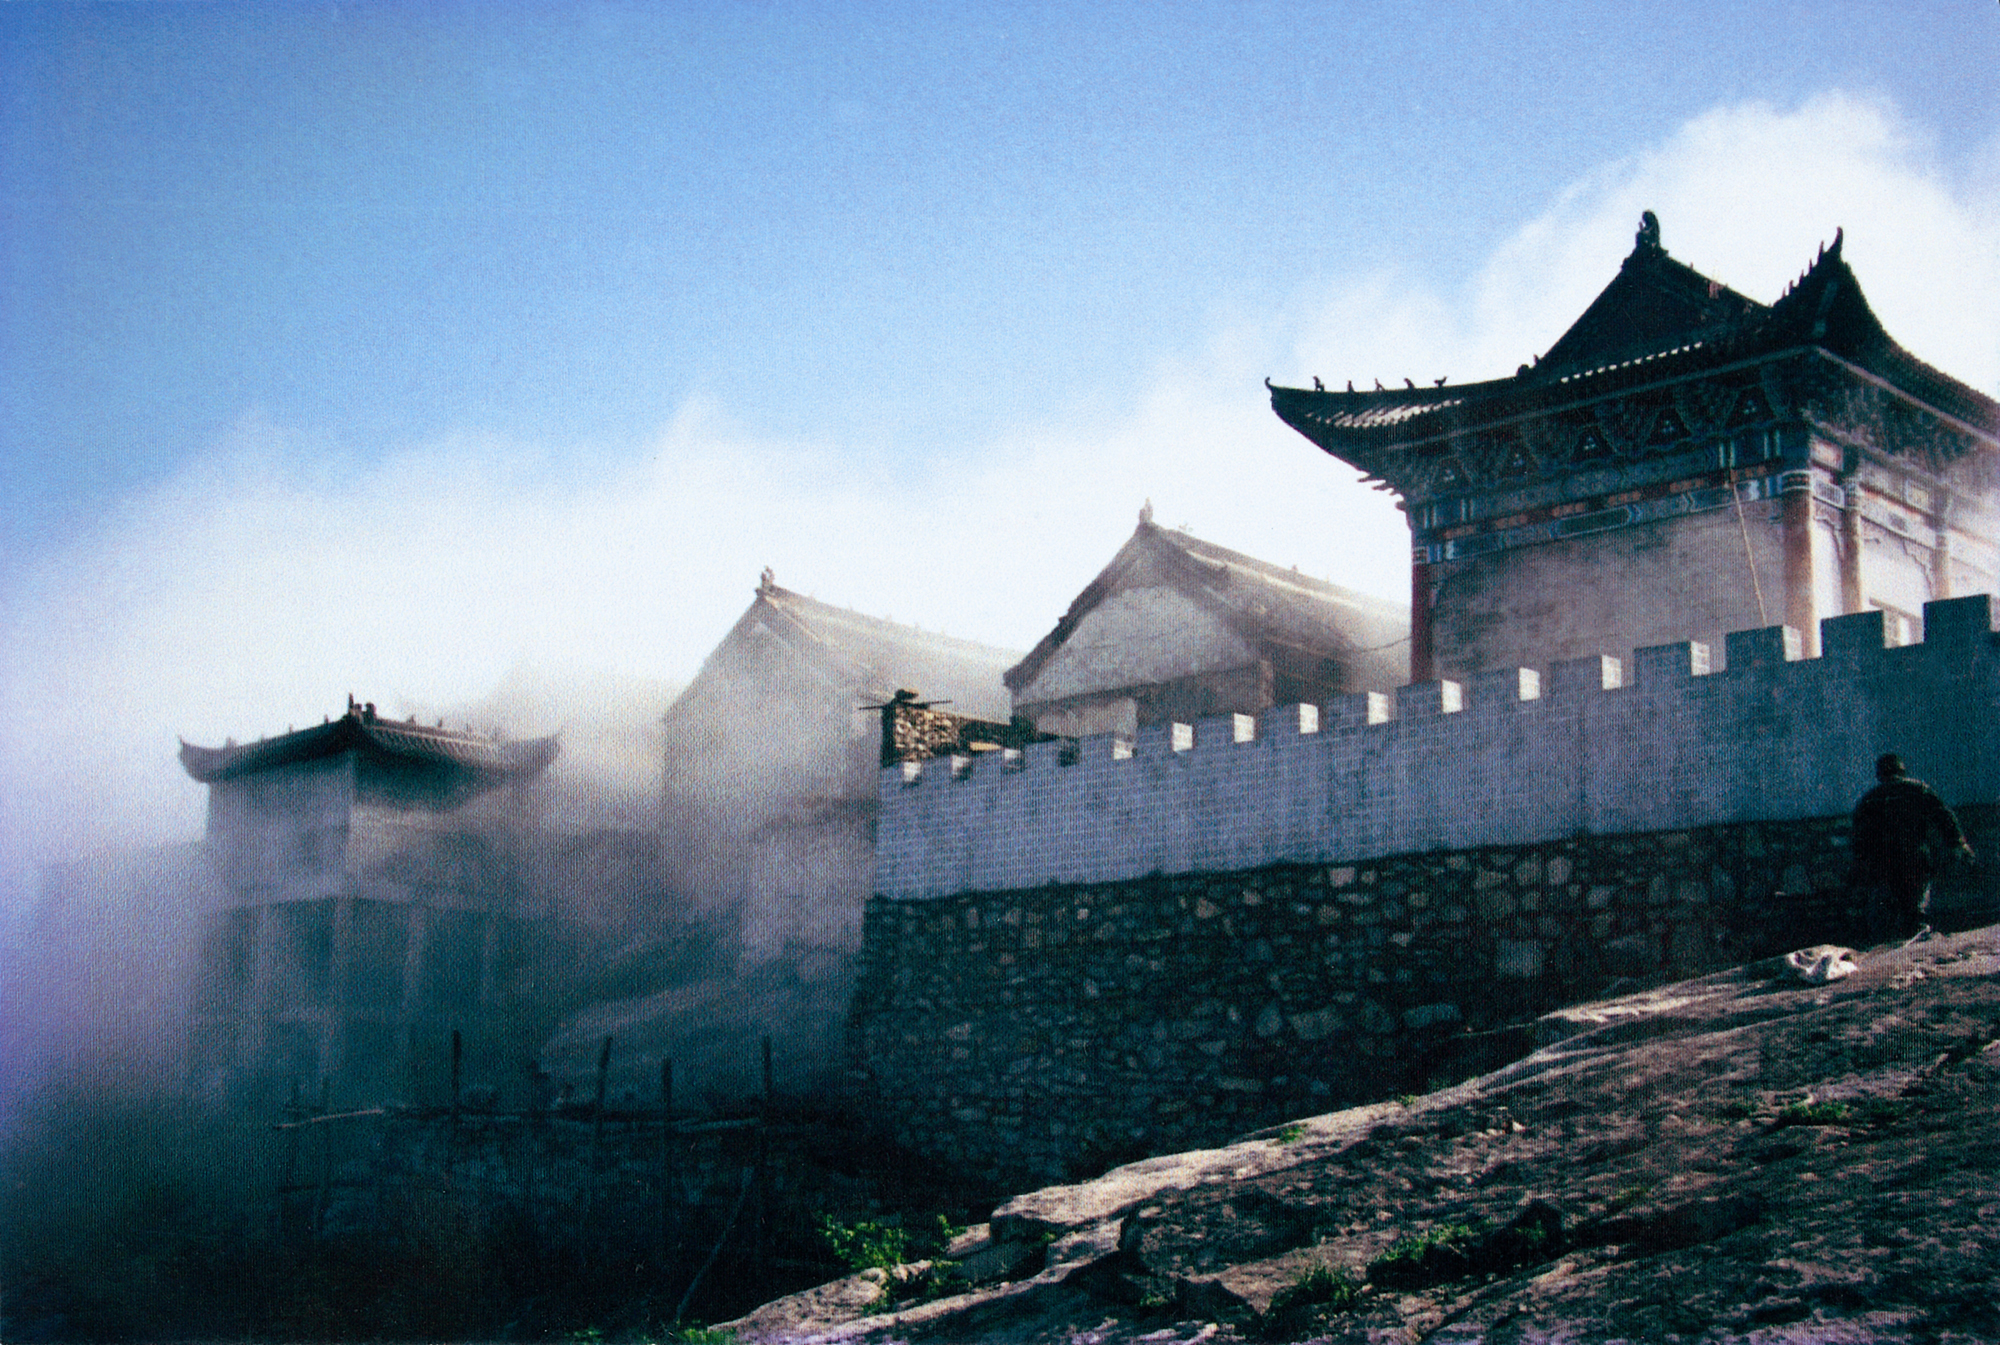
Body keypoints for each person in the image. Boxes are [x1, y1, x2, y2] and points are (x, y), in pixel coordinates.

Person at [1850, 753, 1974, 942]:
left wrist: (1862, 864)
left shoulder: (1870, 800)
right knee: (1915, 907)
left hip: (1885, 864)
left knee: (1892, 910)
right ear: (1902, 770)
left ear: (1880, 775)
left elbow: (1859, 837)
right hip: (1916, 858)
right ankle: (1918, 945)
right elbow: (1943, 816)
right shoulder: (1918, 790)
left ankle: (1896, 949)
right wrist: (1957, 843)